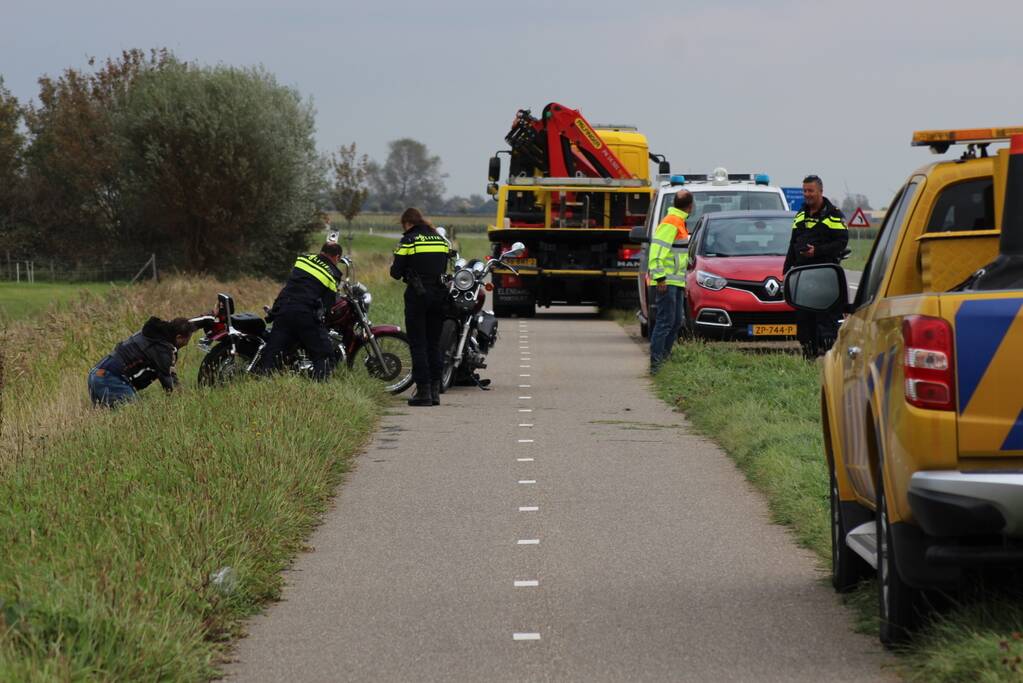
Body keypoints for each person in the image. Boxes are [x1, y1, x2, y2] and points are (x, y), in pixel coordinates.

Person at [390, 207, 450, 406]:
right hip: (440, 296)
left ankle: (423, 392)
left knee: (418, 344)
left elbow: (395, 273)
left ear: (407, 223)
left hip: (418, 296)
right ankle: (435, 391)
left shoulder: (409, 240)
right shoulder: (440, 241)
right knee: (434, 345)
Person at [784, 174, 849, 358]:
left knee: (826, 321)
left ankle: (829, 357)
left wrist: (817, 251)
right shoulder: (801, 214)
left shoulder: (833, 214)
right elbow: (792, 243)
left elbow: (841, 243)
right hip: (802, 276)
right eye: (804, 191)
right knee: (804, 321)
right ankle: (808, 356)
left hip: (825, 276)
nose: (807, 194)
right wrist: (786, 271)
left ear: (820, 191)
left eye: (810, 190)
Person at [259, 242, 344, 380]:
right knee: (323, 352)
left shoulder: (302, 259)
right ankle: (320, 387)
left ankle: (263, 380)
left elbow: (293, 283)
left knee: (273, 352)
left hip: (284, 309)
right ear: (337, 257)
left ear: (321, 251)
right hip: (305, 314)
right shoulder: (333, 274)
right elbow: (328, 304)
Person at [88, 317, 195, 407]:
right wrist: (182, 402)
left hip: (96, 374)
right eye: (186, 341)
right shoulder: (162, 349)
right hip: (110, 378)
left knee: (108, 418)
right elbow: (167, 380)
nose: (186, 344)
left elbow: (169, 372)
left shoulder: (152, 336)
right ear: (179, 337)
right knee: (132, 415)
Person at [648, 189, 692, 373]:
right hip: (666, 282)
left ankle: (663, 360)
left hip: (676, 282)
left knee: (675, 322)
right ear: (691, 206)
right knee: (666, 322)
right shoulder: (672, 222)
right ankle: (657, 365)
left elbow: (678, 253)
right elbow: (657, 252)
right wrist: (660, 278)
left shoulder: (679, 222)